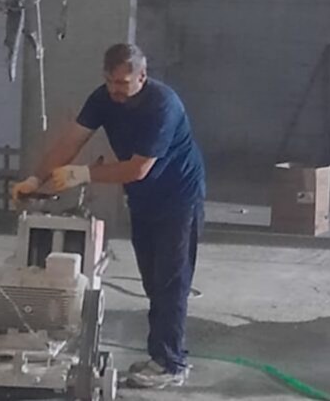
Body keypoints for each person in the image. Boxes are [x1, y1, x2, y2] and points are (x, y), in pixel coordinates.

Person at [12, 43, 206, 389]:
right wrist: (35, 179)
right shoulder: (102, 99)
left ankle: (170, 363)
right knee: (152, 280)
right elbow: (70, 142)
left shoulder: (163, 106)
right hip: (144, 200)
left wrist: (82, 174)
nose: (115, 90)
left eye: (123, 83)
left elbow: (138, 169)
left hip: (179, 199)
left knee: (170, 281)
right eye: (110, 81)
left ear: (142, 77)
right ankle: (162, 355)